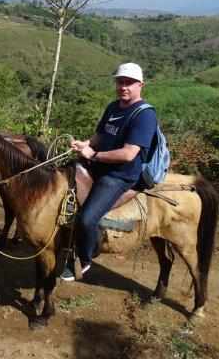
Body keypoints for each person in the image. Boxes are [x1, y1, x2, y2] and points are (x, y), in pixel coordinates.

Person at [60, 62, 157, 281]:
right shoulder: (113, 107)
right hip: (98, 165)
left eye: (129, 83)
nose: (124, 87)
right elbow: (101, 135)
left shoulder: (145, 115)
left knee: (86, 219)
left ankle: (84, 258)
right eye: (120, 82)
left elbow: (129, 154)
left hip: (119, 175)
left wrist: (92, 155)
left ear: (141, 85)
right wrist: (85, 144)